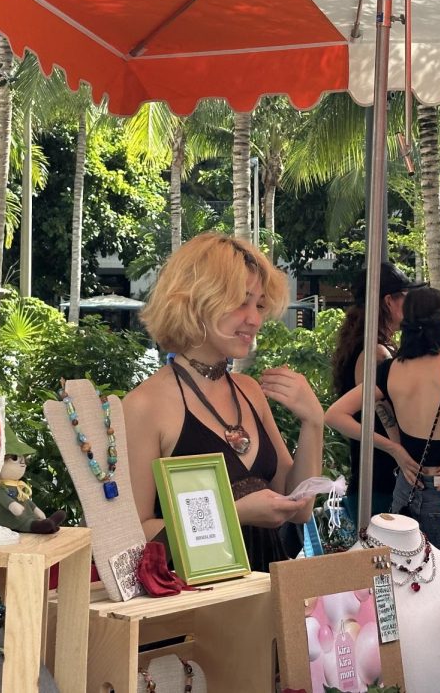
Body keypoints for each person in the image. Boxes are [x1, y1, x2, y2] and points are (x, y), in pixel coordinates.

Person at [124, 233, 324, 572]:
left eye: (259, 304)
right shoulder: (145, 405)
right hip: (197, 610)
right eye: (241, 302)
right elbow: (134, 539)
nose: (255, 319)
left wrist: (313, 422)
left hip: (266, 593)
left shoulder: (249, 390)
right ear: (197, 300)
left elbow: (299, 507)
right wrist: (234, 513)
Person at [326, 286, 440, 567]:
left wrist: (395, 448)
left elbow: (335, 415)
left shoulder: (390, 370)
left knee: (408, 583)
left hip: (407, 491)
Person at [329, 262, 421, 520]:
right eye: (406, 297)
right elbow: (377, 416)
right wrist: (397, 449)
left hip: (372, 476)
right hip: (379, 479)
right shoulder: (376, 352)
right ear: (389, 301)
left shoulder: (363, 345)